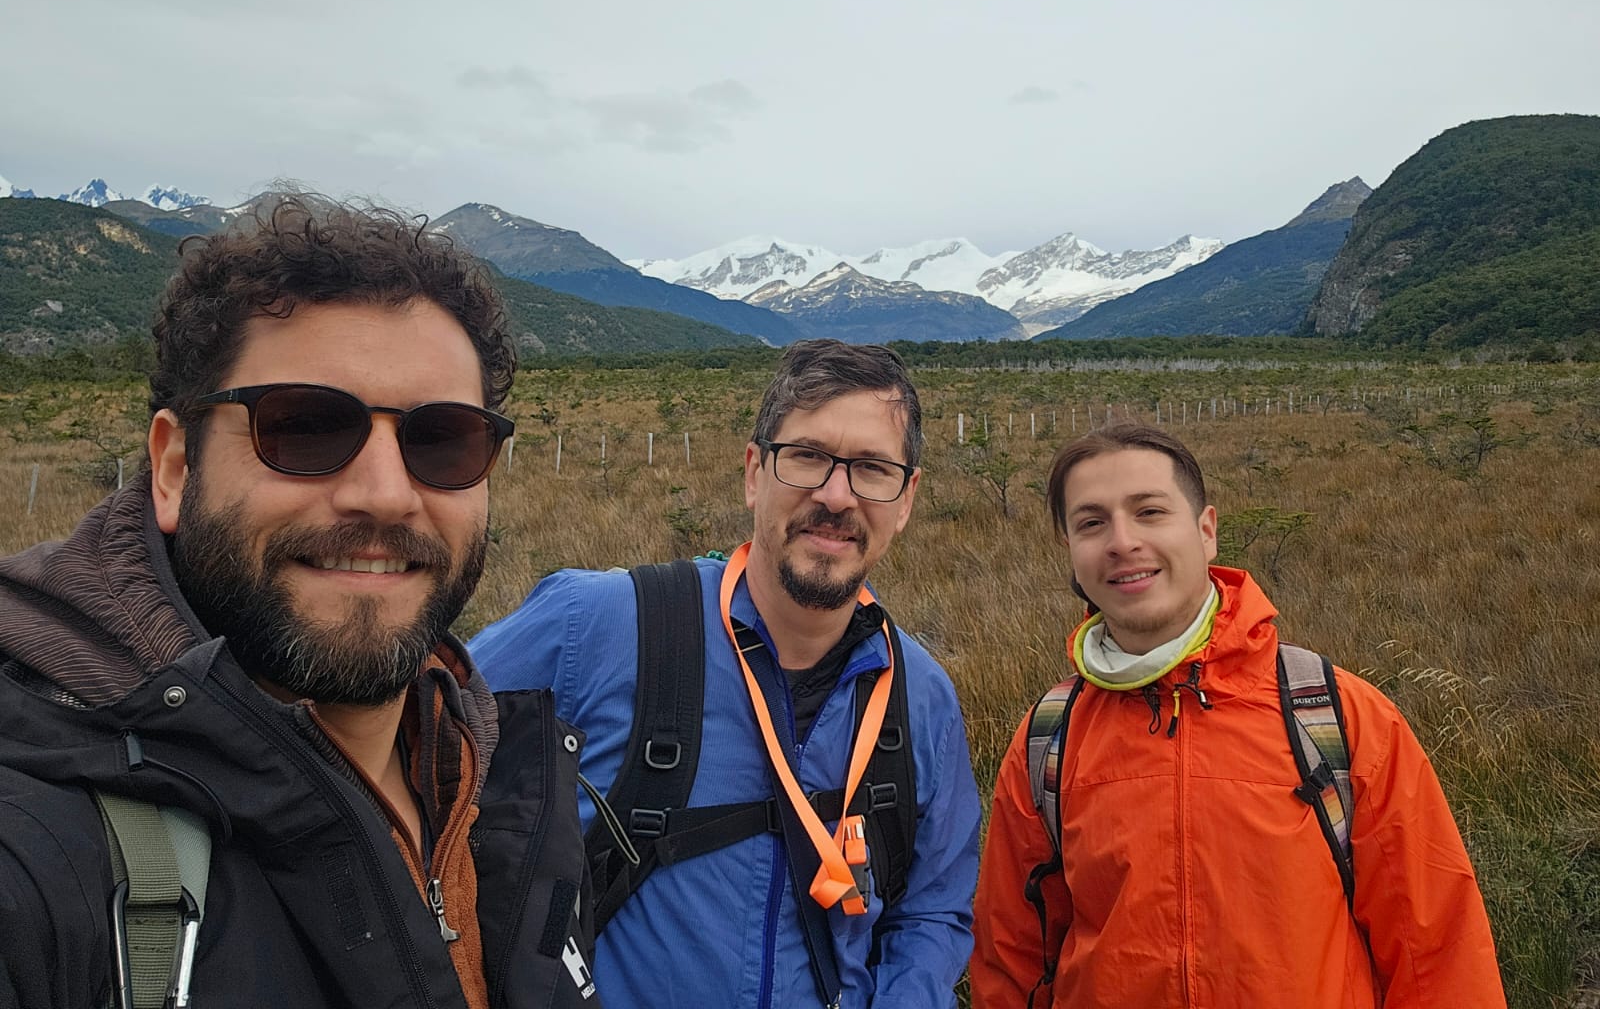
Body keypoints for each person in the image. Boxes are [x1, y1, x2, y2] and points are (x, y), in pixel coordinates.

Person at [0, 194, 599, 1009]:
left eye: (441, 440)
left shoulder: (494, 776)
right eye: (305, 428)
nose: (386, 495)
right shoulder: (38, 836)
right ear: (175, 467)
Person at [471, 338, 981, 1008]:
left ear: (906, 498)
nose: (836, 495)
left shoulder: (922, 699)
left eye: (872, 468)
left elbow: (933, 913)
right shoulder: (594, 627)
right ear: (753, 473)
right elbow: (401, 743)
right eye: (806, 457)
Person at [970, 423, 1505, 1008]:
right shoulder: (1050, 737)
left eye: (1150, 512)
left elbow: (1436, 955)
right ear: (1071, 551)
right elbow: (1011, 960)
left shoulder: (1338, 718)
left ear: (1206, 531)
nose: (1122, 541)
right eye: (1092, 523)